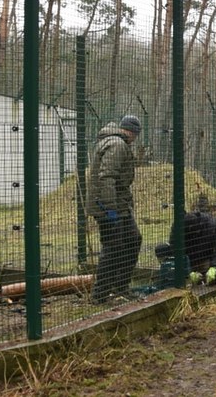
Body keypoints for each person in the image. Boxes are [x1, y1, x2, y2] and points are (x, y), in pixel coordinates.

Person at [86, 115, 143, 303]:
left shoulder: (114, 142)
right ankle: (100, 295)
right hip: (110, 207)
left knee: (132, 240)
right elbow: (107, 177)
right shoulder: (117, 145)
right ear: (132, 132)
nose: (135, 138)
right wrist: (110, 210)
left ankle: (121, 286)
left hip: (120, 206)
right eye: (136, 134)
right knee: (113, 248)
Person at [154, 194, 216, 285]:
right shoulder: (178, 226)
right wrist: (188, 271)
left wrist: (214, 267)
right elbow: (174, 249)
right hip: (186, 261)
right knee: (161, 249)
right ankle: (175, 275)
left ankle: (205, 276)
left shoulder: (212, 225)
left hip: (205, 260)